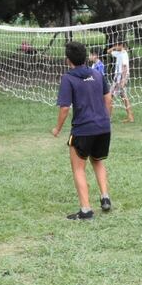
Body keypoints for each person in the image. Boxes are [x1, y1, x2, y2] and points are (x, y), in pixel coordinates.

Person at [52, 41, 113, 220]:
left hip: (83, 130)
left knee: (78, 168)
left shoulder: (68, 78)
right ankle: (105, 197)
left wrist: (57, 128)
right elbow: (108, 98)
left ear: (67, 60)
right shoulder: (97, 73)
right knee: (98, 161)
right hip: (103, 127)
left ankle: (86, 210)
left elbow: (64, 108)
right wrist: (105, 119)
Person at [107, 41, 134, 122]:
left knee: (111, 95)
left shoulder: (124, 54)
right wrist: (115, 47)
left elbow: (125, 67)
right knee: (123, 97)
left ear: (121, 45)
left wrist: (123, 80)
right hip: (118, 77)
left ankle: (109, 117)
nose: (115, 46)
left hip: (120, 77)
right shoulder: (118, 53)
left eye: (117, 45)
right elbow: (108, 52)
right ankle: (130, 117)